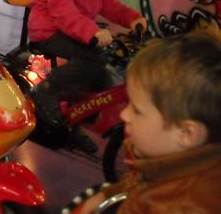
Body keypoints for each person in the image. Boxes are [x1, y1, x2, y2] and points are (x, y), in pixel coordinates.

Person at [27, 0, 147, 153]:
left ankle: (75, 119)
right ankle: (47, 92)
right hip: (49, 30)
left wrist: (131, 18)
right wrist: (90, 32)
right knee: (92, 58)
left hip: (71, 28)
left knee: (99, 77)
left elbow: (105, 1)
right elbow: (60, 6)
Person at [77, 27, 221, 214]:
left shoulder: (184, 207)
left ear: (186, 133)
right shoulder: (166, 157)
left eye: (137, 111)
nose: (124, 115)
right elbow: (141, 182)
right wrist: (107, 194)